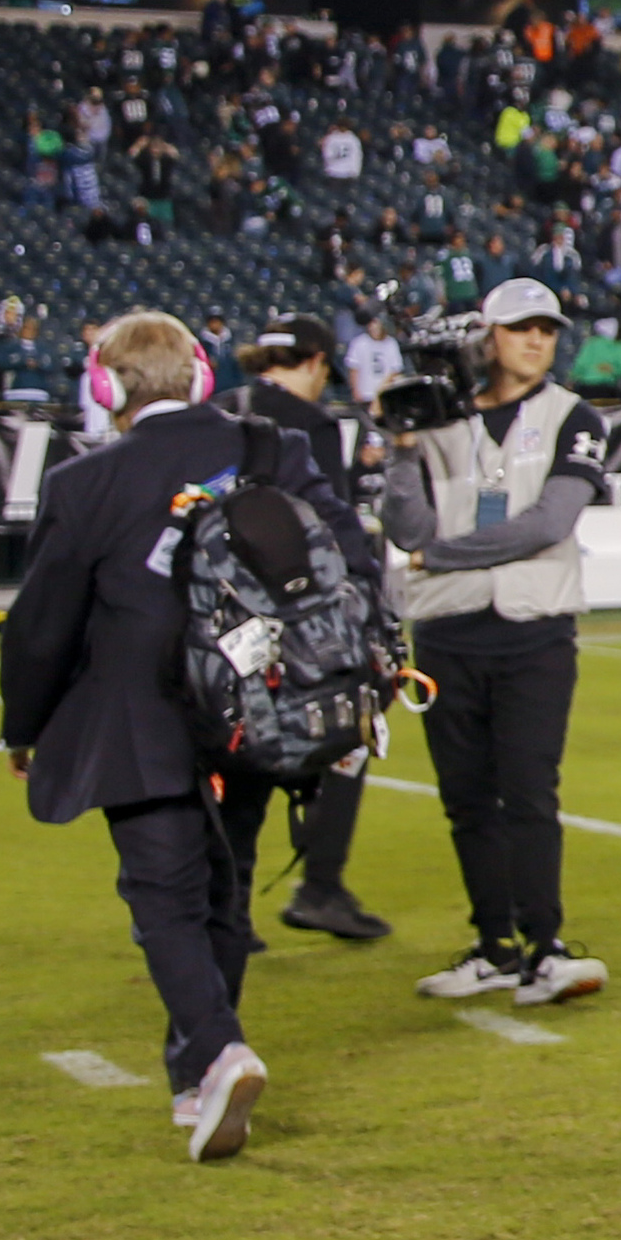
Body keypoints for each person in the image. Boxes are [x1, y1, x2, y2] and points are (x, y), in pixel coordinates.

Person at [0, 311, 357, 1161]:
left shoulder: (85, 484)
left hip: (142, 713)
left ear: (106, 388)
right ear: (199, 374)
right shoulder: (273, 447)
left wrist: (23, 724)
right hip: (261, 703)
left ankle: (216, 1048)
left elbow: (42, 624)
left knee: (162, 893)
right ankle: (196, 1075)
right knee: (222, 887)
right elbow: (347, 557)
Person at [381, 275, 613, 1005]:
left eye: (547, 327)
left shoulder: (575, 417)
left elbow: (550, 523)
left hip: (533, 629)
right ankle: (493, 946)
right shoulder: (436, 420)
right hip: (448, 628)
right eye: (521, 328)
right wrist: (398, 445)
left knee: (529, 790)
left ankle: (544, 945)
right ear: (489, 336)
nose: (538, 339)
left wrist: (440, 556)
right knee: (467, 799)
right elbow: (406, 528)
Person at [230, 312, 395, 941]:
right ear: (318, 363)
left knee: (233, 750)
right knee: (346, 733)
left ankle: (231, 903)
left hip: (222, 620)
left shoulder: (220, 408)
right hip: (297, 620)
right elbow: (325, 526)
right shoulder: (313, 426)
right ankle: (320, 885)